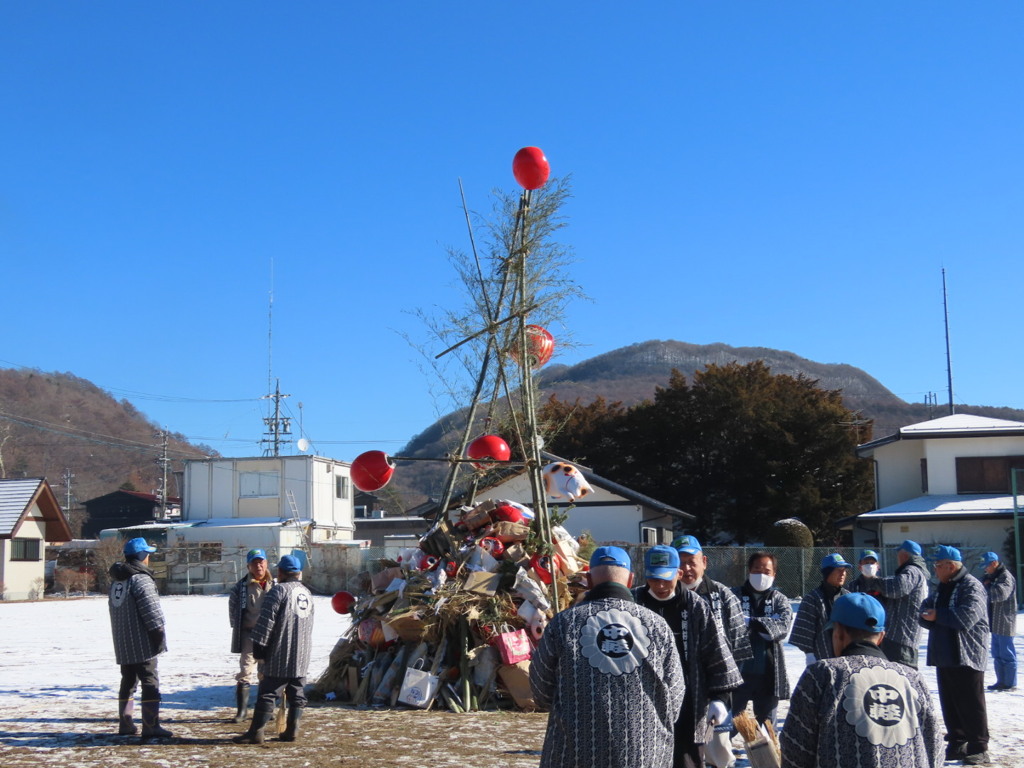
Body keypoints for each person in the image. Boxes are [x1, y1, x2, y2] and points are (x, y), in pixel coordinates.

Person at [530, 546, 685, 768]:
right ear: (631, 580)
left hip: (574, 753)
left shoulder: (563, 623)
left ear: (590, 581)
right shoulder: (657, 626)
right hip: (644, 753)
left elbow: (541, 688)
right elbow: (676, 694)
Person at [780, 593, 941, 768]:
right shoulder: (912, 678)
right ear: (881, 637)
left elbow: (795, 746)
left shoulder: (823, 673)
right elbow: (935, 747)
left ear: (838, 632)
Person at [634, 544, 742, 768]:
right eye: (654, 579)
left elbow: (715, 652)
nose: (661, 585)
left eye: (666, 578)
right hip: (641, 702)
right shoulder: (633, 603)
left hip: (690, 702)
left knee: (687, 761)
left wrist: (720, 699)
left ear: (679, 574)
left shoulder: (695, 606)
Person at [673, 535, 752, 768]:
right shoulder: (666, 595)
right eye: (680, 562)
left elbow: (737, 650)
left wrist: (723, 695)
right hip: (675, 691)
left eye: (691, 561)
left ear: (704, 562)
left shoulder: (723, 596)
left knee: (719, 753)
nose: (686, 568)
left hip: (714, 692)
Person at [920, 545, 990, 765]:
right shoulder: (942, 586)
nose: (935, 570)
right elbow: (925, 608)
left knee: (971, 703)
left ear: (950, 566)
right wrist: (928, 615)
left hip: (967, 655)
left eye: (938, 565)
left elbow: (967, 617)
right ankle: (957, 743)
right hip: (945, 654)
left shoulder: (971, 586)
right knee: (950, 703)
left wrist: (937, 615)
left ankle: (979, 747)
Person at [234, 554, 314, 744]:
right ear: (299, 573)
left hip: (280, 652)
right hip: (302, 653)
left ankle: (256, 733)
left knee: (268, 692)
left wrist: (260, 649)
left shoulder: (278, 591)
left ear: (280, 572)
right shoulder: (307, 593)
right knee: (297, 694)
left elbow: (265, 623)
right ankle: (292, 731)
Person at [108, 536, 172, 739]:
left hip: (123, 641)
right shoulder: (141, 579)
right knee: (149, 681)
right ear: (142, 556)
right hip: (141, 641)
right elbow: (152, 612)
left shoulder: (118, 580)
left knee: (127, 681)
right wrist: (159, 637)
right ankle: (151, 724)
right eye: (148, 554)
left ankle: (125, 723)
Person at [730, 551, 792, 730]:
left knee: (767, 728)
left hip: (769, 672)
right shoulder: (733, 595)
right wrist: (765, 625)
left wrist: (750, 622)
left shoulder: (779, 599)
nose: (761, 575)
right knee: (729, 725)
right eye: (757, 569)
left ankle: (767, 759)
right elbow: (728, 625)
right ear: (749, 570)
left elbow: (782, 628)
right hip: (737, 672)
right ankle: (723, 759)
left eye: (766, 571)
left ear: (774, 574)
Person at [858, 540, 929, 668]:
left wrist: (875, 581)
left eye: (898, 554)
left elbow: (896, 588)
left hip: (901, 638)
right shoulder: (915, 572)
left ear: (905, 556)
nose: (897, 558)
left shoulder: (912, 571)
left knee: (899, 676)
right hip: (902, 638)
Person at [228, 547, 275, 722]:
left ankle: (265, 710)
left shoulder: (275, 585)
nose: (259, 566)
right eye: (254, 563)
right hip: (249, 634)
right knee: (245, 670)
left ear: (266, 563)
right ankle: (242, 711)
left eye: (261, 562)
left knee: (266, 672)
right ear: (248, 566)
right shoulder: (240, 587)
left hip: (269, 635)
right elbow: (233, 610)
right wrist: (238, 629)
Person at [790, 553, 852, 663]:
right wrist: (809, 654)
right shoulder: (812, 599)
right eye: (838, 570)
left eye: (844, 570)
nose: (843, 573)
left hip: (847, 657)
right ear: (827, 572)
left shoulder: (849, 597)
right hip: (821, 658)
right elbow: (803, 631)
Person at [980, 551, 1017, 691]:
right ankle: (1001, 681)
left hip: (1005, 621)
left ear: (994, 563)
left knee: (1006, 653)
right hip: (994, 622)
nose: (985, 569)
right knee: (997, 653)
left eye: (986, 566)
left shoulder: (1005, 577)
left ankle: (1010, 683)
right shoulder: (992, 577)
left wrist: (987, 587)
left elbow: (999, 594)